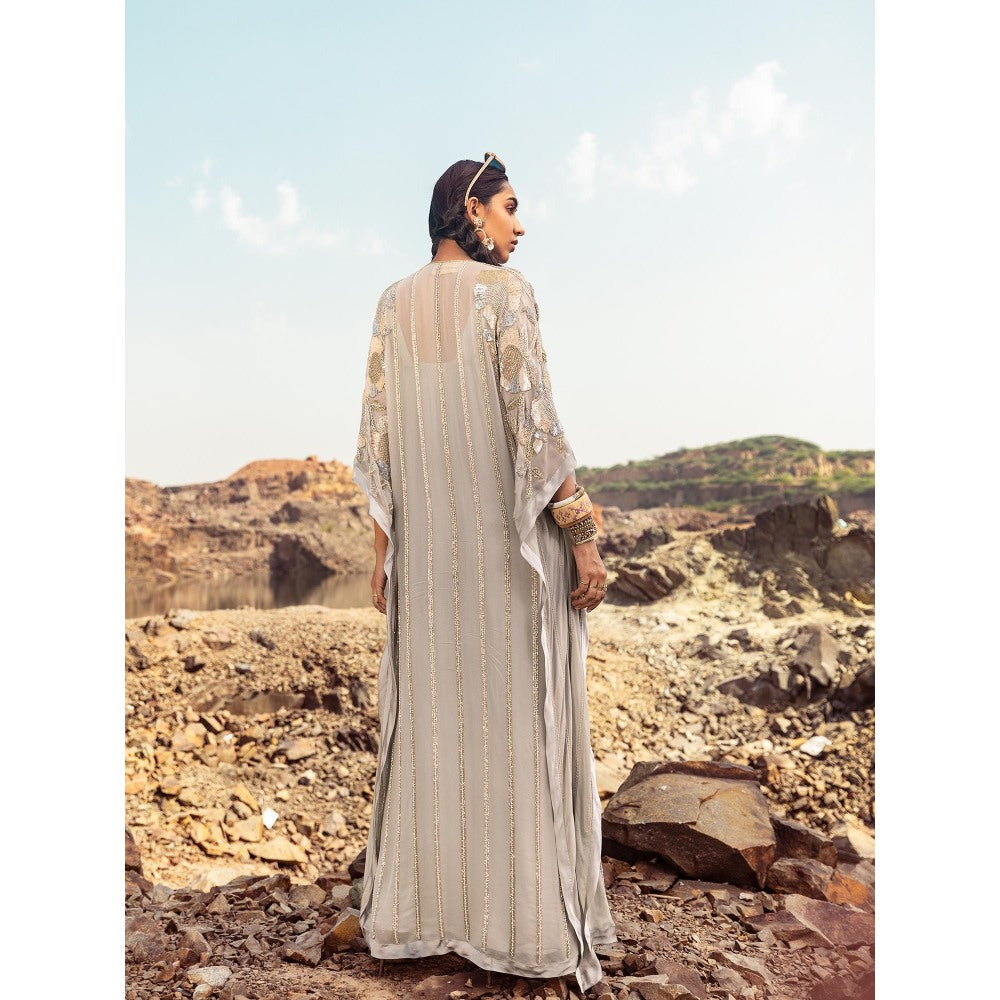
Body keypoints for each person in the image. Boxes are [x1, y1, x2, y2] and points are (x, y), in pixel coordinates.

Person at [352, 152, 618, 994]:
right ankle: (529, 928)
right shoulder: (506, 294)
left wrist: (384, 556)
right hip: (513, 562)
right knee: (519, 727)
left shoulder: (389, 304)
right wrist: (583, 534)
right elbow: (537, 430)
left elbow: (377, 444)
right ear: (469, 209)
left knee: (440, 732)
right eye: (509, 206)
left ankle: (426, 918)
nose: (519, 225)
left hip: (430, 568)